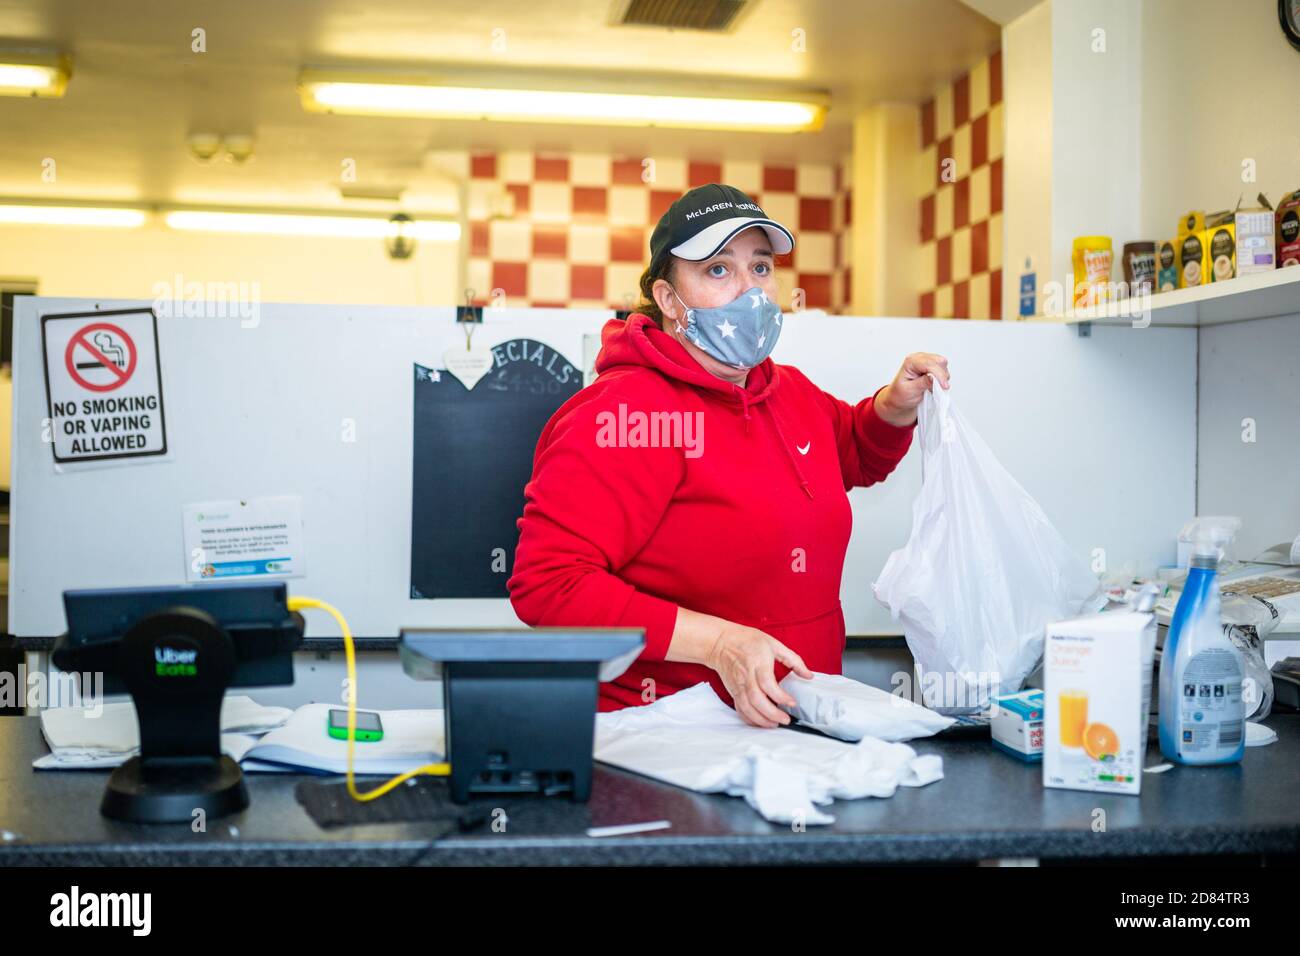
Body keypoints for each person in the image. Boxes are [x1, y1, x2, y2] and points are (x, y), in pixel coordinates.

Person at [507, 183, 950, 727]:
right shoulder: (624, 415)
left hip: (794, 725)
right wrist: (718, 643)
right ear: (670, 300)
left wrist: (895, 405)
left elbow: (854, 453)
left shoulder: (785, 390)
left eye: (760, 267)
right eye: (718, 270)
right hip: (669, 734)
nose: (749, 291)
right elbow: (550, 585)